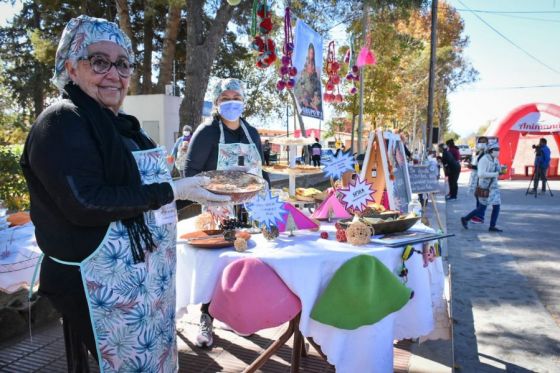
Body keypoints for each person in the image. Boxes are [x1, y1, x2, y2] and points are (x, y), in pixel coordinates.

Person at [19, 15, 229, 372]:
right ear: (71, 67)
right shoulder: (61, 122)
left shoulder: (124, 127)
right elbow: (86, 203)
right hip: (100, 285)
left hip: (148, 285)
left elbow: (144, 192)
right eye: (99, 61)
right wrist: (172, 190)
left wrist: (195, 193)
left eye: (123, 64)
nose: (114, 74)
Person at [185, 77, 269, 348]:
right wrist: (215, 190)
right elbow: (189, 173)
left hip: (249, 207)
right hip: (217, 207)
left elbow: (261, 169)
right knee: (217, 264)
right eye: (225, 98)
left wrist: (267, 194)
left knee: (246, 265)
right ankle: (206, 318)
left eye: (236, 97)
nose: (231, 102)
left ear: (243, 101)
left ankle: (239, 317)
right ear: (217, 102)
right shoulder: (207, 132)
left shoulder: (251, 132)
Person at [461, 143, 503, 232]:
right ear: (491, 150)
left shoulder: (495, 159)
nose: (498, 151)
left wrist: (501, 170)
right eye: (496, 149)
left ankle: (492, 226)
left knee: (497, 206)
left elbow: (498, 170)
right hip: (485, 187)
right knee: (482, 207)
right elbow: (481, 174)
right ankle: (465, 218)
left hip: (494, 186)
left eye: (498, 149)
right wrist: (495, 174)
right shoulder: (484, 159)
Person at [294, 43, 322, 118]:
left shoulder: (316, 75)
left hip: (312, 103)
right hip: (304, 102)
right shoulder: (302, 76)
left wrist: (315, 100)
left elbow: (317, 90)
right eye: (310, 53)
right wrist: (303, 98)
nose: (311, 55)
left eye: (312, 53)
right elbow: (297, 90)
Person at [467, 136, 489, 224]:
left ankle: (480, 216)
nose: (481, 143)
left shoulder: (487, 153)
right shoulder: (480, 153)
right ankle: (478, 215)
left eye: (483, 142)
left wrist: (473, 166)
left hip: (483, 179)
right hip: (477, 178)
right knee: (478, 197)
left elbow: (484, 167)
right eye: (479, 141)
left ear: (487, 143)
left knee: (482, 198)